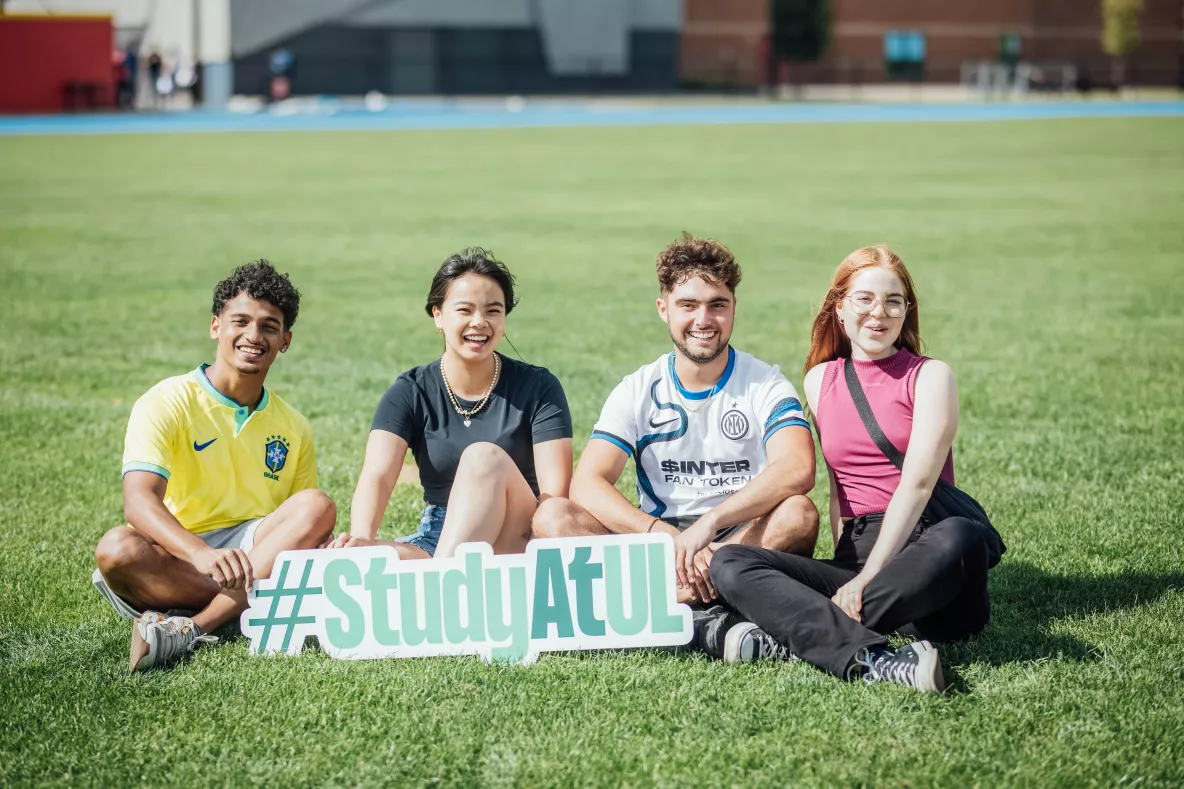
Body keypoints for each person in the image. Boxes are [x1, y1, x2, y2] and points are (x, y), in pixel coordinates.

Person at [710, 245, 992, 693]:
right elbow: (840, 487)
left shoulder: (932, 376)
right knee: (728, 561)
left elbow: (918, 485)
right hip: (860, 554)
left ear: (906, 311)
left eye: (893, 301)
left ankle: (799, 634)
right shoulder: (821, 380)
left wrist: (867, 578)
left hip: (927, 556)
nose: (879, 312)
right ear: (839, 306)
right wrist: (850, 569)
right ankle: (865, 643)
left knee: (962, 537)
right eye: (864, 298)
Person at [533, 233, 819, 634]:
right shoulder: (637, 388)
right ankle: (699, 592)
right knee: (552, 517)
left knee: (798, 513)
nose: (703, 320)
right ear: (663, 309)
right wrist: (662, 536)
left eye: (717, 305)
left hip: (740, 539)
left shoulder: (764, 383)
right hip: (658, 546)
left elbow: (799, 468)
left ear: (734, 308)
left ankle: (669, 597)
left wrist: (712, 528)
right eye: (689, 305)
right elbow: (587, 483)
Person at [92, 261, 337, 672]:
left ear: (286, 340)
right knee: (117, 550)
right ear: (215, 326)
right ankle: (245, 603)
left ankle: (190, 626)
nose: (253, 336)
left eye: (269, 326)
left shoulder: (294, 425)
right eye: (240, 321)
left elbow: (305, 526)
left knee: (317, 505)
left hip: (254, 549)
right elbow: (138, 503)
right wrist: (202, 554)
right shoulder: (167, 399)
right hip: (182, 551)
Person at [330, 248, 572, 558]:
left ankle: (443, 583)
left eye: (493, 311)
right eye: (465, 310)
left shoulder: (539, 387)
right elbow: (377, 473)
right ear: (438, 315)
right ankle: (445, 574)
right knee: (351, 559)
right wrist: (362, 538)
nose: (479, 322)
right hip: (439, 536)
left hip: (517, 535)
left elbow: (555, 499)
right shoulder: (410, 390)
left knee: (484, 458)